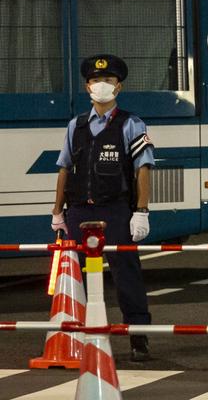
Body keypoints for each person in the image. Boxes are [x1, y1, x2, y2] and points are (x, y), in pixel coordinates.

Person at [51, 54, 155, 362]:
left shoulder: (131, 124)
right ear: (87, 87)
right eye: (96, 81)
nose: (101, 86)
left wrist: (141, 211)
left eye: (108, 81)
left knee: (127, 275)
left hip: (116, 211)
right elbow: (64, 170)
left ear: (118, 87)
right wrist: (57, 212)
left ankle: (139, 338)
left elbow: (143, 169)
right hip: (79, 211)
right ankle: (71, 337)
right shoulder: (76, 126)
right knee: (72, 278)